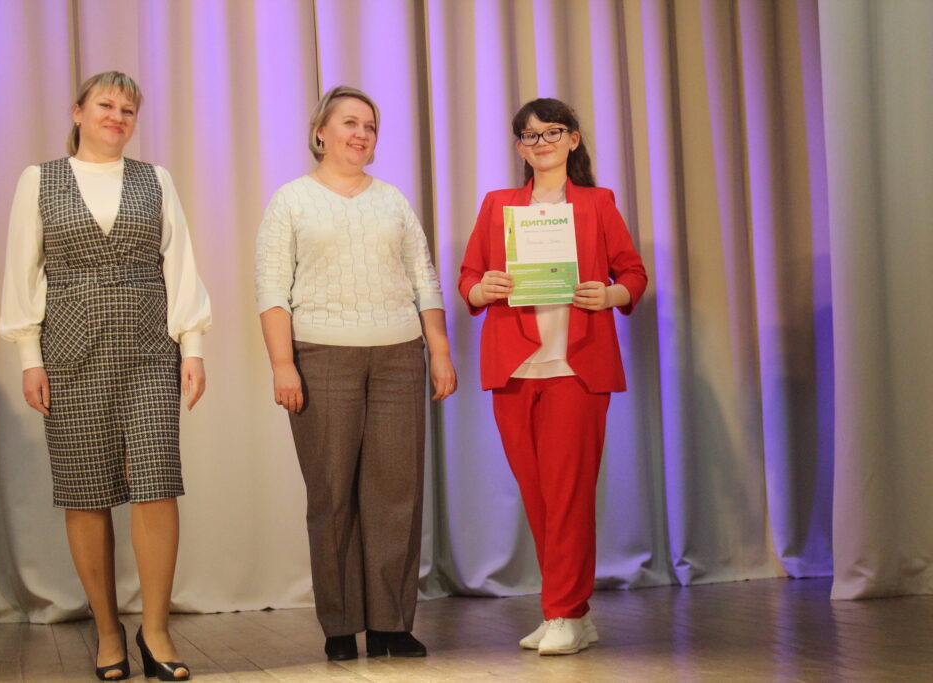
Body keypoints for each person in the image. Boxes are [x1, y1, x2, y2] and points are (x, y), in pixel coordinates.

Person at [0, 71, 211, 681]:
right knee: (86, 489)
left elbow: (180, 261)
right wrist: (29, 358)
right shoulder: (40, 180)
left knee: (156, 482)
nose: (117, 117)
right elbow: (22, 270)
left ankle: (156, 631)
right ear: (78, 112)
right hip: (71, 349)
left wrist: (192, 346)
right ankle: (108, 631)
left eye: (128, 110)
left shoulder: (155, 179)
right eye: (106, 105)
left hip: (150, 347)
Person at [255, 85, 456, 662]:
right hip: (321, 357)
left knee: (396, 493)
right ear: (321, 132)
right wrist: (282, 363)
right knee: (332, 494)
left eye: (370, 126)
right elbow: (272, 288)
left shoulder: (392, 200)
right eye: (350, 123)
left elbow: (424, 279)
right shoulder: (291, 200)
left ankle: (392, 623)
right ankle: (340, 625)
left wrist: (439, 350)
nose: (361, 134)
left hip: (398, 356)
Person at [458, 98, 647, 656]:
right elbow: (468, 276)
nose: (541, 143)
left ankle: (561, 610)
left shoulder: (596, 203)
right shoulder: (498, 205)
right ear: (520, 147)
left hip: (575, 367)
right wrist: (481, 289)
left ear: (573, 139)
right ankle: (570, 612)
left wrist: (610, 294)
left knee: (568, 496)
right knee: (540, 497)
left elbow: (633, 274)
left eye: (552, 132)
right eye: (530, 135)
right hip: (514, 367)